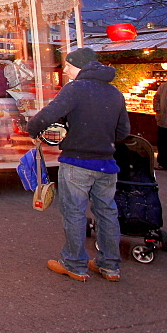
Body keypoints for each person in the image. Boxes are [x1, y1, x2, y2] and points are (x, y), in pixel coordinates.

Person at [27, 47, 129, 282]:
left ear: (80, 66)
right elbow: (123, 131)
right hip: (107, 163)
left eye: (68, 65)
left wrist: (33, 129)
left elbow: (47, 115)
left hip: (77, 162)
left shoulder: (75, 89)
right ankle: (110, 265)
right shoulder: (115, 93)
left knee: (74, 212)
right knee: (107, 213)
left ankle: (74, 263)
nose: (65, 69)